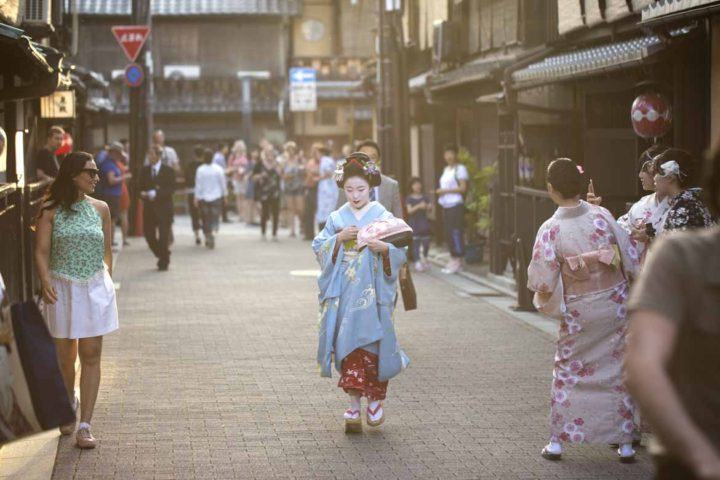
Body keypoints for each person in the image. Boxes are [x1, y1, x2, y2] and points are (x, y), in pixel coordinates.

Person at [527, 158, 640, 463]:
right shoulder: (602, 215)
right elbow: (629, 255)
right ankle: (625, 442)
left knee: (567, 369)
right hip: (613, 304)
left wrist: (546, 298)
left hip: (579, 309)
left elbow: (542, 281)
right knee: (618, 369)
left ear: (551, 189)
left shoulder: (550, 229)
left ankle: (557, 442)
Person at [625, 144, 720, 480]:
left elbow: (640, 362)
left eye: (657, 171)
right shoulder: (682, 214)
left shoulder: (680, 242)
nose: (652, 176)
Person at [312, 152, 409, 433]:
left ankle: (375, 401)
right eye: (350, 190)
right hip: (344, 290)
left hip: (375, 290)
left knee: (374, 345)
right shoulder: (336, 217)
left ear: (371, 188)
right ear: (343, 189)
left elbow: (401, 247)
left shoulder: (382, 215)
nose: (355, 195)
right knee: (348, 346)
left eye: (361, 189)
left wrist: (385, 249)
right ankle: (354, 404)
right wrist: (338, 239)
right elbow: (318, 247)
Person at [34, 151, 119, 449]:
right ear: (72, 175)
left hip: (95, 286)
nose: (96, 177)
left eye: (96, 172)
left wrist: (107, 281)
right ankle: (68, 402)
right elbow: (41, 251)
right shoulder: (50, 209)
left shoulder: (101, 209)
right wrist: (45, 281)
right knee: (65, 357)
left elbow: (107, 251)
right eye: (90, 172)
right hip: (62, 288)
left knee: (92, 353)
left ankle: (85, 424)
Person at [652, 148, 715, 233]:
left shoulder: (683, 208)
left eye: (656, 172)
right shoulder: (696, 199)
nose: (654, 178)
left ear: (670, 177)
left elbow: (680, 245)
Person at [336, 139, 403, 218]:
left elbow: (399, 220)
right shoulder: (346, 184)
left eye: (372, 157)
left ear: (379, 161)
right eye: (364, 158)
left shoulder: (391, 185)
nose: (368, 162)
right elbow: (339, 217)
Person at [139, 145, 176, 271]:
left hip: (164, 208)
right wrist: (143, 194)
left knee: (164, 236)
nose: (149, 157)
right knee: (149, 235)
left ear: (159, 156)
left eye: (152, 154)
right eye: (148, 154)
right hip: (149, 208)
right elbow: (139, 187)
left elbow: (172, 189)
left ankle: (163, 262)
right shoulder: (144, 171)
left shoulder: (168, 171)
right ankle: (163, 254)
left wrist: (157, 193)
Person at [436, 143, 468, 274]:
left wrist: (445, 190)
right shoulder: (446, 170)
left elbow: (463, 188)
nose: (449, 156)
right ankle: (453, 258)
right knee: (448, 233)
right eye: (446, 153)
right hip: (446, 205)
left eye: (451, 153)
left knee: (456, 232)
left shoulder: (460, 169)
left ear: (455, 155)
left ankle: (458, 260)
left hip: (456, 204)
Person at [194, 148, 228, 249]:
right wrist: (225, 196)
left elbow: (198, 185)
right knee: (214, 216)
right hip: (216, 196)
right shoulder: (218, 169)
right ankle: (212, 231)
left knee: (205, 218)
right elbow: (223, 184)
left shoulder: (200, 169)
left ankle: (207, 233)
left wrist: (196, 197)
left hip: (204, 197)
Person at [253, 147, 282, 241]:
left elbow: (281, 175)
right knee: (264, 213)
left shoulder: (277, 163)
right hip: (264, 192)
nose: (270, 155)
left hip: (275, 192)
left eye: (271, 153)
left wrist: (276, 167)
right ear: (265, 154)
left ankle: (274, 234)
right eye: (268, 153)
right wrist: (261, 175)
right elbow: (253, 177)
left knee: (275, 214)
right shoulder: (260, 164)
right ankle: (263, 233)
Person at [100, 142, 125, 246]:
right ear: (114, 153)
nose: (120, 157)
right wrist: (124, 178)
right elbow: (111, 180)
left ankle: (110, 241)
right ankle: (109, 242)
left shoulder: (112, 163)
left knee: (112, 219)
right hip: (110, 195)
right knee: (111, 220)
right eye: (119, 154)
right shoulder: (108, 164)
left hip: (114, 195)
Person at [406, 177, 432, 272]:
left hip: (424, 222)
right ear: (411, 186)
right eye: (415, 184)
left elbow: (430, 209)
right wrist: (418, 206)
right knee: (415, 243)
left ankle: (425, 258)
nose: (417, 186)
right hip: (414, 223)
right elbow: (409, 211)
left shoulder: (425, 197)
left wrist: (429, 207)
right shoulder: (409, 198)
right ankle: (417, 262)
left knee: (426, 243)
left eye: (418, 184)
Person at [281, 141, 305, 238]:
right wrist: (286, 176)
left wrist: (301, 170)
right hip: (288, 186)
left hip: (298, 186)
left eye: (292, 149)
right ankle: (292, 230)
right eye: (288, 149)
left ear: (294, 150)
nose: (290, 151)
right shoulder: (284, 161)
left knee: (300, 208)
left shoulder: (299, 160)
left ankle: (302, 226)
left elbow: (304, 170)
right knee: (290, 209)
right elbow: (281, 174)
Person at [184, 145, 205, 246]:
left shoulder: (189, 165)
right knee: (204, 213)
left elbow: (187, 178)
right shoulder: (205, 165)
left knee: (194, 214)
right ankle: (206, 233)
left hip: (192, 191)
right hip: (204, 192)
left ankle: (197, 235)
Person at [315, 144, 338, 231]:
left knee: (325, 209)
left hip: (327, 187)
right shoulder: (328, 160)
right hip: (328, 186)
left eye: (317, 153)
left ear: (321, 153)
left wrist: (319, 178)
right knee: (326, 208)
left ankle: (325, 230)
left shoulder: (325, 160)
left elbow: (328, 172)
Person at [113, 143, 132, 247]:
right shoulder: (121, 164)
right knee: (124, 215)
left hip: (119, 189)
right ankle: (124, 239)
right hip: (123, 188)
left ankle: (121, 239)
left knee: (117, 216)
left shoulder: (115, 164)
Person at [228, 140, 249, 223]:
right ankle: (240, 214)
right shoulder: (233, 157)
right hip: (235, 178)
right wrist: (235, 169)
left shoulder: (244, 157)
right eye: (237, 147)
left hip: (243, 178)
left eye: (240, 147)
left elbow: (246, 167)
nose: (239, 149)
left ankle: (243, 214)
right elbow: (229, 167)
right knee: (238, 197)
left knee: (243, 197)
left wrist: (241, 169)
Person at [303, 147, 320, 240]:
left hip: (319, 189)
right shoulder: (310, 162)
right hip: (310, 188)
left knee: (320, 212)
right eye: (314, 152)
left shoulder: (323, 162)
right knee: (308, 212)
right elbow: (308, 174)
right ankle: (308, 234)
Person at [246, 148, 261, 225]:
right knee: (250, 202)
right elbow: (247, 174)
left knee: (256, 202)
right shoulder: (249, 163)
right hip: (251, 184)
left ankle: (254, 218)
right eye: (253, 152)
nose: (255, 153)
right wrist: (252, 173)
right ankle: (249, 219)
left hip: (258, 184)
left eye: (256, 152)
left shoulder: (259, 163)